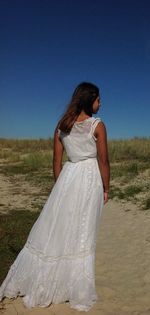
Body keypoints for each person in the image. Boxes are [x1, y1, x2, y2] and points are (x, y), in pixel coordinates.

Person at [0, 82, 110, 311]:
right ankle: (73, 283)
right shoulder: (97, 125)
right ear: (89, 100)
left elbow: (56, 162)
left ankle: (52, 277)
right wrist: (106, 188)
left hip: (67, 177)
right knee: (82, 230)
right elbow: (103, 161)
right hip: (89, 179)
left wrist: (61, 186)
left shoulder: (61, 126)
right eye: (99, 99)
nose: (101, 103)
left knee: (59, 228)